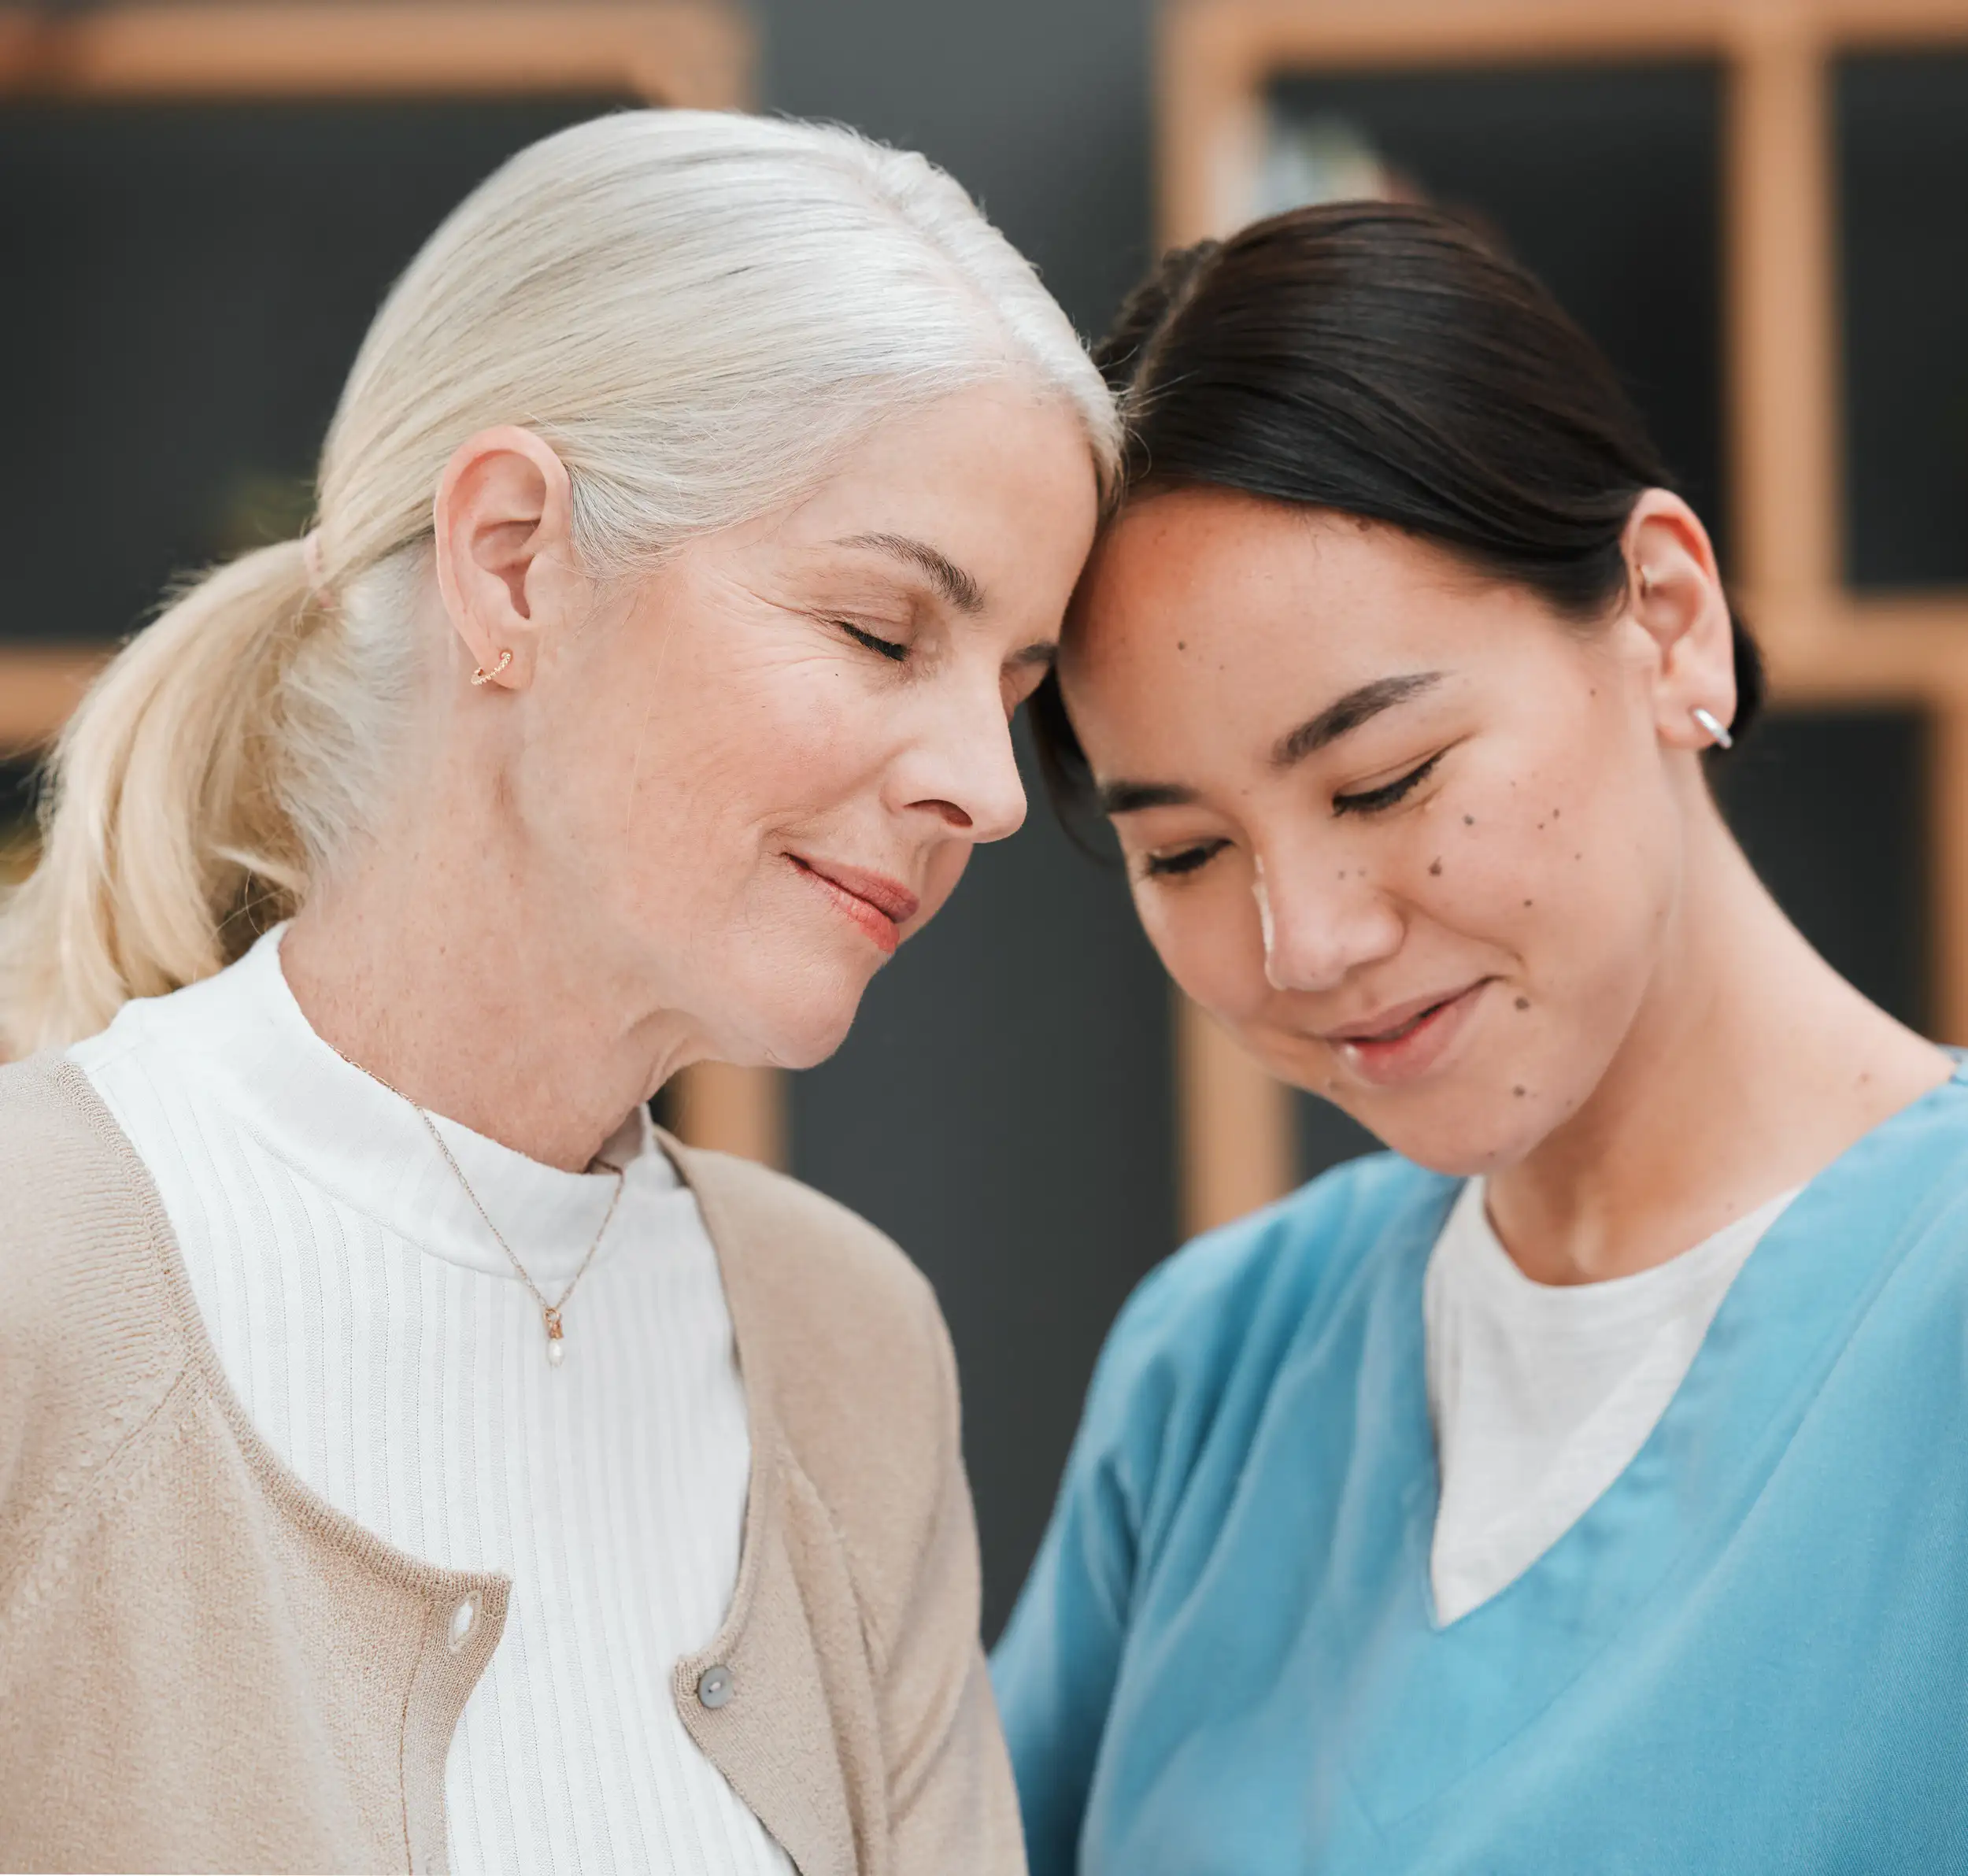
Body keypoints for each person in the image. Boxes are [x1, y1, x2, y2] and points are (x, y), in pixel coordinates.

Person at [0, 109, 1113, 1875]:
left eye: (1017, 684)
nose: (983, 785)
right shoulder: (35, 1272)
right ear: (512, 560)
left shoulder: (846, 1348)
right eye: (884, 634)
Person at [994, 201, 1968, 1874]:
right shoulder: (1215, 1374)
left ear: (1664, 618)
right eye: (1184, 853)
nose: (1303, 941)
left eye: (1379, 782)